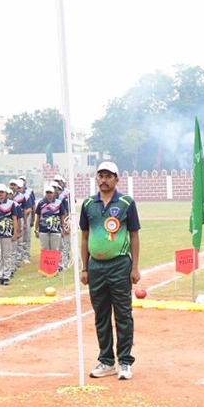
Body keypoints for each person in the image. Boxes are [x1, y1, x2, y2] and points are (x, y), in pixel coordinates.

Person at [80, 160, 141, 380]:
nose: (104, 180)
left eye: (108, 176)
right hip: (96, 267)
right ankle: (106, 362)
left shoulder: (126, 203)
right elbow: (85, 237)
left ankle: (125, 361)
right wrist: (85, 268)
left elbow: (134, 234)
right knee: (101, 315)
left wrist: (134, 267)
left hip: (119, 265)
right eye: (100, 176)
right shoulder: (88, 204)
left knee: (123, 314)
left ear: (117, 179)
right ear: (96, 178)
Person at [0, 184, 22, 285]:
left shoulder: (12, 204)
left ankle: (6, 276)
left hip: (7, 233)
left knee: (7, 255)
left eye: (2, 192)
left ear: (6, 193)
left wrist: (15, 233)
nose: (1, 194)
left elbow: (15, 219)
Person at [35, 183, 67, 257]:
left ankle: (56, 267)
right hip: (43, 230)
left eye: (50, 192)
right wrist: (36, 230)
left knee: (55, 250)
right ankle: (46, 268)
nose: (49, 194)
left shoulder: (59, 203)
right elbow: (38, 218)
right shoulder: (41, 203)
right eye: (47, 192)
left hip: (56, 230)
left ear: (53, 193)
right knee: (45, 250)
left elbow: (62, 217)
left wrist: (63, 228)